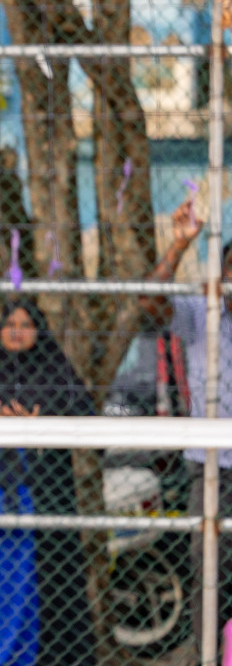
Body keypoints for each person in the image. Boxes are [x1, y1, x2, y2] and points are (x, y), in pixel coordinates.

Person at [0, 299, 96, 666]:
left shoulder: (54, 369)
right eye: (9, 323)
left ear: (39, 330)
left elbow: (84, 411)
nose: (16, 330)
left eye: (25, 323)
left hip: (43, 495)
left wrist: (42, 426)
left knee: (48, 583)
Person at [141, 195, 232, 642]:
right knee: (211, 575)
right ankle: (210, 654)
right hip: (213, 469)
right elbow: (149, 303)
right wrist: (178, 246)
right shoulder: (200, 316)